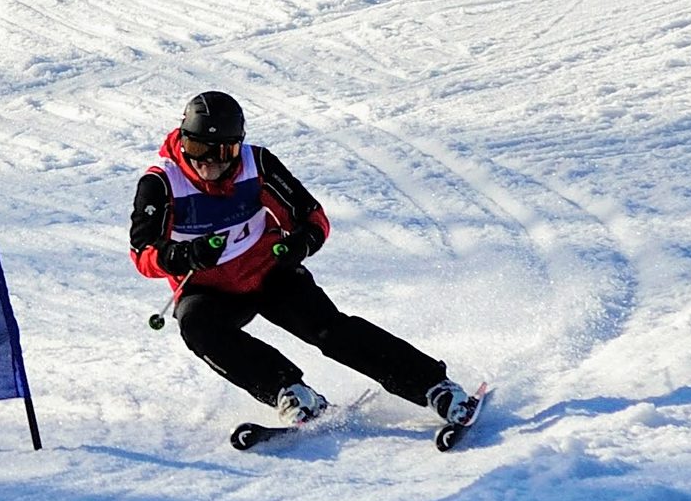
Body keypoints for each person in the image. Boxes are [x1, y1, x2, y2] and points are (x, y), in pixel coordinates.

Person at [130, 91, 476, 429]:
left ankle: (434, 386)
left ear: (237, 147)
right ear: (182, 140)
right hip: (209, 288)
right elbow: (141, 253)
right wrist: (182, 255)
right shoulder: (162, 182)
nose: (208, 162)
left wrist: (302, 244)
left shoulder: (258, 165)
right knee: (197, 326)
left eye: (221, 151)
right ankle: (289, 391)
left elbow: (313, 216)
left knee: (328, 329)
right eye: (196, 148)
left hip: (267, 272)